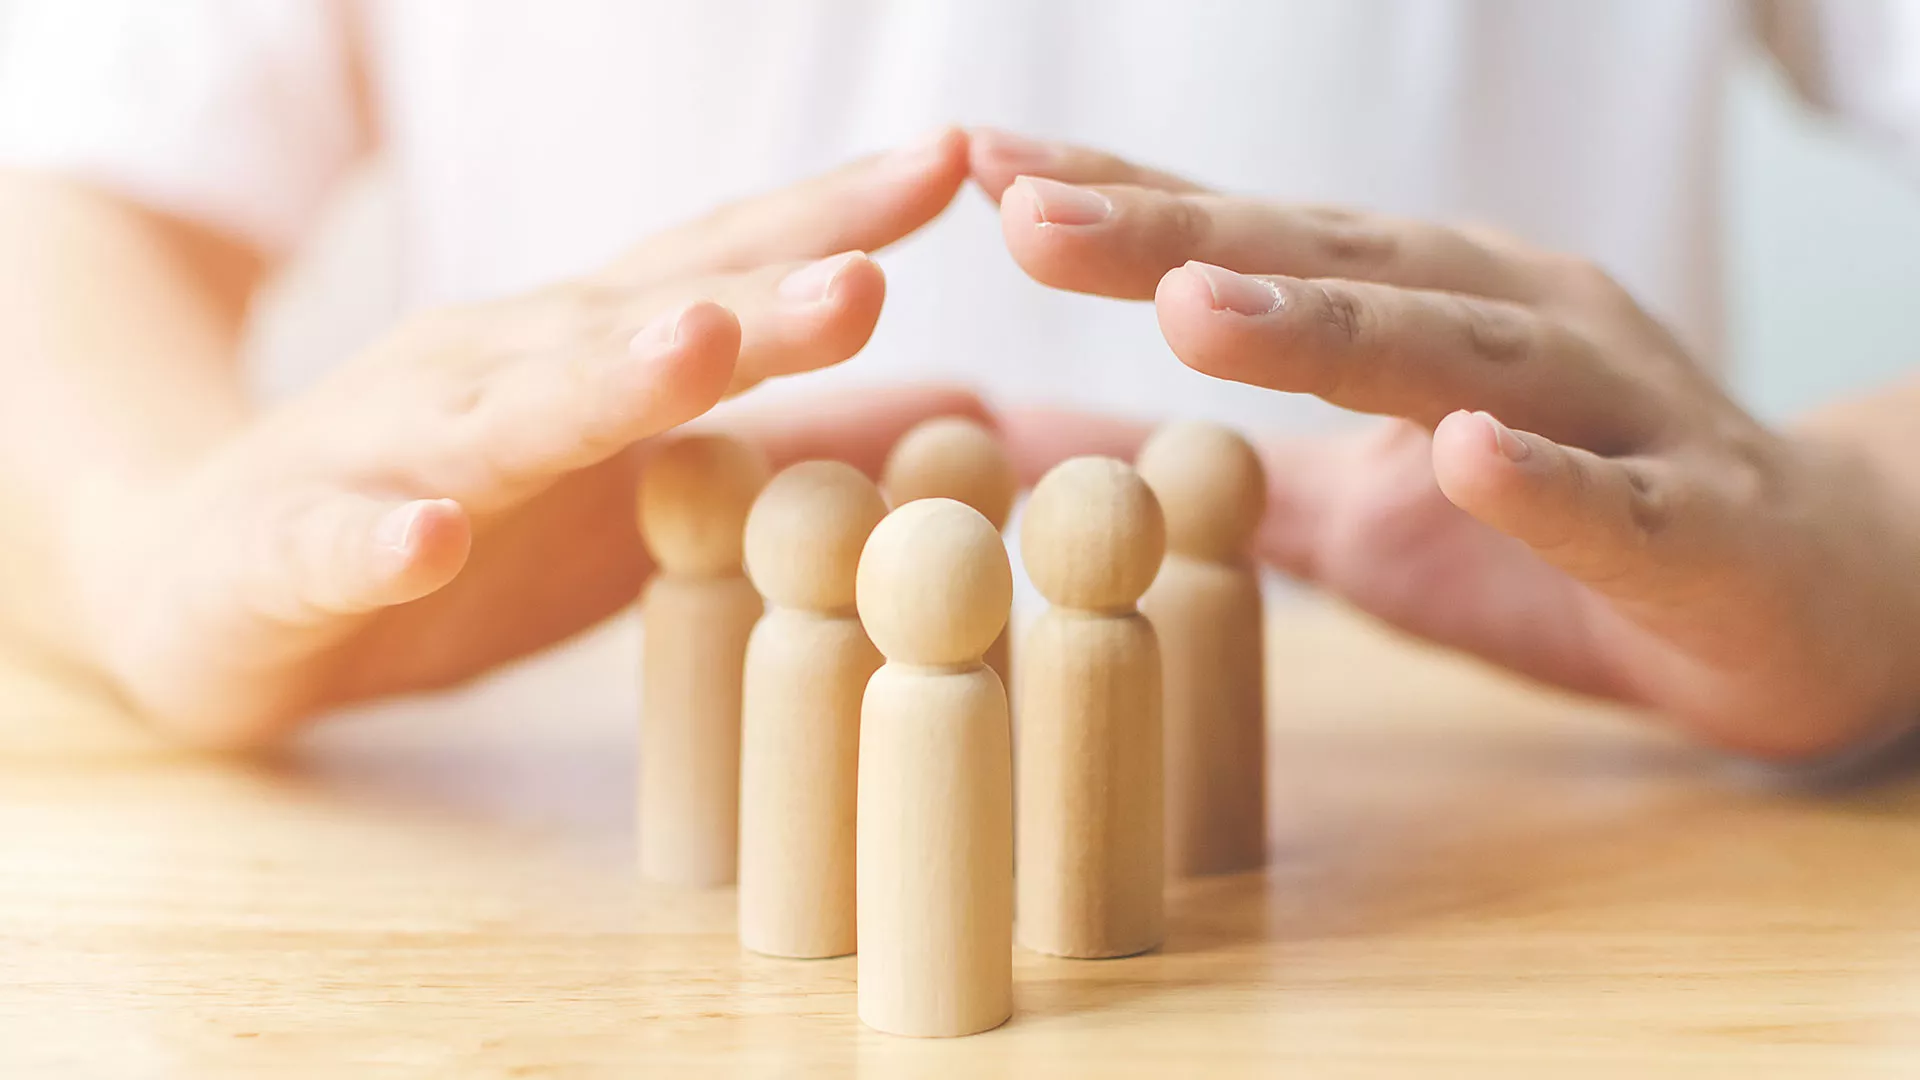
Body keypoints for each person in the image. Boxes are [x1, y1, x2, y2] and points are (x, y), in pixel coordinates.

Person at [0, 1, 1917, 759]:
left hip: (1561, 821)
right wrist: (132, 526)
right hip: (534, 816)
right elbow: (72, 207)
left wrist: (1883, 533)